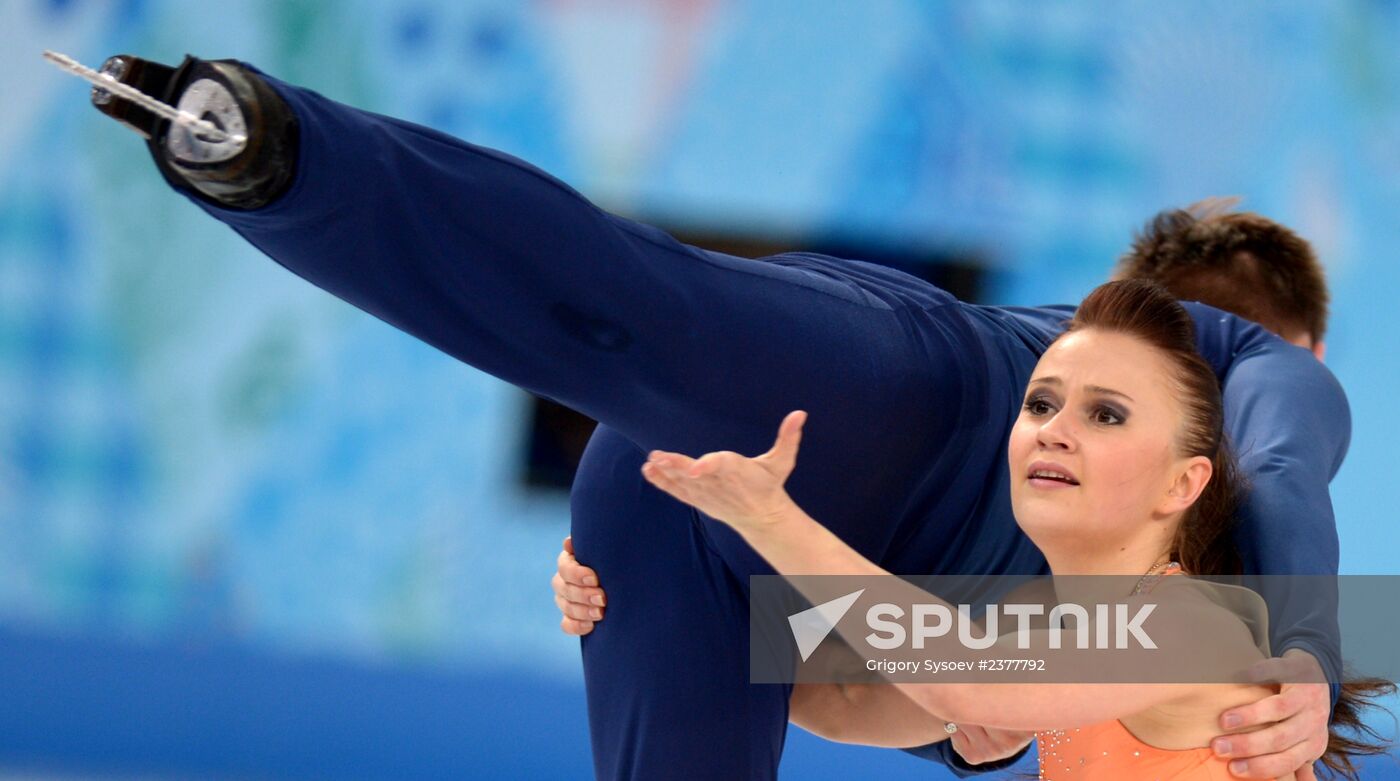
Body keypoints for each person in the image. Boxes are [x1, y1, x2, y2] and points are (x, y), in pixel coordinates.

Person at [89, 54, 1347, 780]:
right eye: (1063, 392)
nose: (1062, 425)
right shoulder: (1182, 599)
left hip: (720, 511)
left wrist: (734, 600)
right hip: (882, 403)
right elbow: (971, 686)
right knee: (644, 314)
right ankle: (285, 157)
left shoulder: (1213, 558)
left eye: (1108, 403)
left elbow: (948, 696)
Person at [551, 200, 1338, 771]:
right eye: (1040, 402)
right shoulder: (1050, 617)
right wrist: (651, 590)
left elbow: (964, 677)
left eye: (1106, 414)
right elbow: (843, 700)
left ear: (1185, 478)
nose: (1054, 429)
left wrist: (766, 518)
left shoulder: (1191, 620)